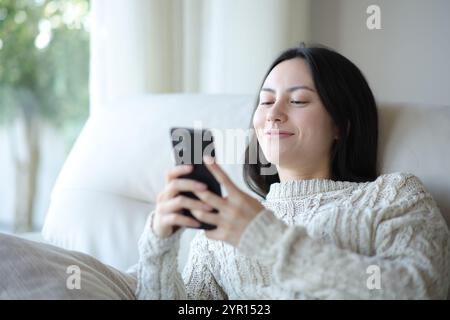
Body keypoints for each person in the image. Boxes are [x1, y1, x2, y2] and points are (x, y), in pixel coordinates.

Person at [135, 44, 450, 299]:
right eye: (266, 101)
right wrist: (158, 247)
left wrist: (265, 239)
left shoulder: (394, 196)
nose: (273, 113)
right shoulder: (223, 230)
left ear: (342, 124)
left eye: (298, 100)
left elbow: (419, 290)